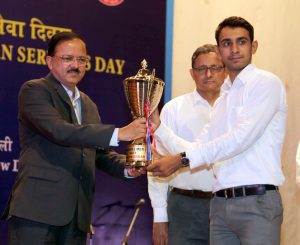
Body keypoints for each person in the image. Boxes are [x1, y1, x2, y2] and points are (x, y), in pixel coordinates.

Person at [148, 16, 287, 245]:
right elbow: (200, 149)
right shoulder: (224, 101)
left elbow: (240, 139)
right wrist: (159, 128)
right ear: (218, 49)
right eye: (226, 43)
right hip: (220, 204)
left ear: (253, 46)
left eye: (241, 42)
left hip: (256, 201)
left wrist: (180, 160)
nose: (234, 49)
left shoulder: (266, 83)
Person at [1, 31, 146, 244]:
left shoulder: (89, 105)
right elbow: (59, 131)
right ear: (50, 61)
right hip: (37, 212)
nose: (75, 65)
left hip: (77, 216)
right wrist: (119, 133)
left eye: (81, 59)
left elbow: (98, 153)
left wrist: (128, 168)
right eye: (67, 58)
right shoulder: (34, 90)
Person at [148, 44, 225, 245]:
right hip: (184, 206)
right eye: (201, 69)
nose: (208, 74)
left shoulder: (236, 109)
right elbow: (157, 164)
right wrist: (159, 217)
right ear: (192, 73)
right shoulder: (173, 109)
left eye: (215, 68)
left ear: (225, 70)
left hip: (228, 205)